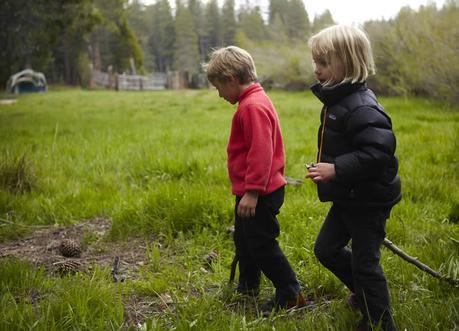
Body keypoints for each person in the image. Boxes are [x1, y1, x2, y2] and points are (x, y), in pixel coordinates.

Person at [305, 25, 401, 331]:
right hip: (349, 196)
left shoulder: (362, 105)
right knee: (326, 250)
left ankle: (379, 321)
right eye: (315, 62)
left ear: (348, 62)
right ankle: (363, 294)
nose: (316, 69)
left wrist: (336, 169)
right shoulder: (338, 99)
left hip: (369, 201)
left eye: (323, 63)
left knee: (365, 263)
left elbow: (378, 152)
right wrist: (327, 169)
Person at [203, 46, 306, 314]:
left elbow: (262, 152)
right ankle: (248, 287)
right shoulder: (254, 100)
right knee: (245, 241)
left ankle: (290, 291)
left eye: (218, 88)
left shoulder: (252, 107)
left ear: (231, 80)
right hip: (255, 189)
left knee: (261, 244)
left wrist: (252, 192)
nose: (219, 94)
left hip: (260, 191)